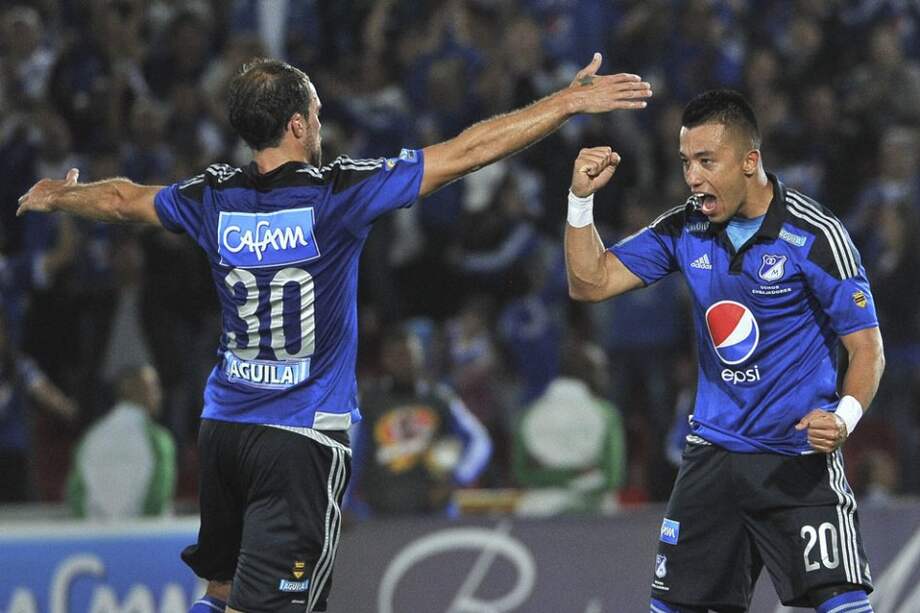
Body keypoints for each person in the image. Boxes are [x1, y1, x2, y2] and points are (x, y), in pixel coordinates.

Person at [17, 55, 651, 613]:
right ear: (297, 124)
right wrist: (567, 102)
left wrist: (61, 197)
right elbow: (467, 152)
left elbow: (125, 200)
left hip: (225, 431)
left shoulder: (213, 196)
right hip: (297, 442)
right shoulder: (336, 195)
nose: (321, 123)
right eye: (316, 112)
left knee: (223, 593)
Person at [563, 89, 884, 613]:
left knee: (844, 606)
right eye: (687, 162)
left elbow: (867, 348)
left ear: (749, 161)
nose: (693, 177)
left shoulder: (817, 235)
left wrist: (845, 418)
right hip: (713, 455)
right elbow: (589, 282)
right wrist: (580, 201)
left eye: (707, 162)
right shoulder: (685, 227)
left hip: (794, 459)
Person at [348, 325, 491, 518]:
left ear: (420, 355)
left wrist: (458, 478)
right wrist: (343, 504)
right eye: (396, 356)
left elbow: (480, 441)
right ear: (385, 360)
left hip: (435, 515)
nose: (403, 362)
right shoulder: (369, 402)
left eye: (408, 354)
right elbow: (350, 454)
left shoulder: (440, 399)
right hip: (380, 517)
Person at [512, 339, 626, 516]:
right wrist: (577, 477)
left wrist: (555, 478)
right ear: (590, 373)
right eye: (602, 370)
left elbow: (522, 474)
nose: (605, 377)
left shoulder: (528, 414)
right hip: (596, 515)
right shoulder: (606, 414)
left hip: (539, 511)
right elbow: (612, 478)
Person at [67, 364, 176, 519]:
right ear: (137, 391)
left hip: (97, 536)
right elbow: (157, 498)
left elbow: (76, 493)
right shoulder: (158, 440)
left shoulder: (90, 437)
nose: (160, 395)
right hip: (143, 537)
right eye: (155, 387)